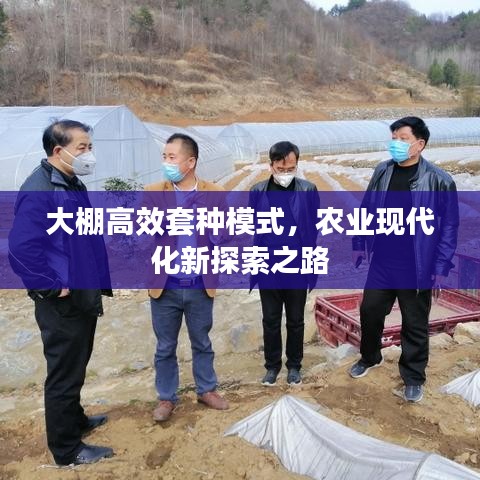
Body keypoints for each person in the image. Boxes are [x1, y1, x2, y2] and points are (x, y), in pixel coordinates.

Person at [8, 120, 113, 465]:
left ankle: (76, 421)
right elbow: (21, 250)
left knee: (76, 364)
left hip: (81, 292)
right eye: (83, 147)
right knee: (64, 374)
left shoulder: (69, 181)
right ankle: (67, 451)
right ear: (58, 150)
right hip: (62, 303)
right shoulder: (41, 190)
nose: (89, 154)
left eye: (90, 147)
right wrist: (52, 287)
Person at [350, 116, 459, 403]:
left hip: (417, 266)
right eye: (393, 138)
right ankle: (370, 357)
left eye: (403, 139)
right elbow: (367, 207)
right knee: (370, 311)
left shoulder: (439, 180)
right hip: (383, 261)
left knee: (414, 322)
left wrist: (441, 266)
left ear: (419, 144)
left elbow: (449, 227)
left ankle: (413, 377)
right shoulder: (383, 171)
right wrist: (359, 243)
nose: (396, 144)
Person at [145, 133, 229, 422]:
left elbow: (225, 234)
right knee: (165, 346)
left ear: (190, 162)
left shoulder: (214, 192)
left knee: (202, 341)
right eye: (164, 157)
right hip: (165, 284)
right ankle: (166, 397)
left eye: (172, 157)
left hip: (199, 283)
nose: (166, 162)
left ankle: (206, 390)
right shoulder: (154, 191)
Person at [250, 141, 319, 387]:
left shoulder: (308, 190)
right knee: (270, 319)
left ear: (297, 165)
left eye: (291, 169)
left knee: (295, 320)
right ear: (271, 166)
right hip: (268, 266)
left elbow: (313, 229)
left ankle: (294, 366)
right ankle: (272, 366)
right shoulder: (258, 191)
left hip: (296, 266)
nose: (286, 173)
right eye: (281, 169)